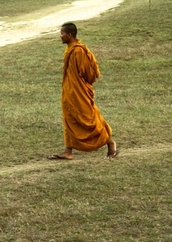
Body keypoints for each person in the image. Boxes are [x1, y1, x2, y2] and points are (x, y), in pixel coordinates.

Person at [48, 22, 119, 160]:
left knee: (88, 119)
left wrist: (79, 85)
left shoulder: (79, 51)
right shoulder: (70, 49)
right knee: (69, 119)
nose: (60, 36)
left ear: (69, 35)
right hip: (70, 91)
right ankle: (68, 151)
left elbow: (89, 73)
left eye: (62, 33)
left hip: (79, 92)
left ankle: (110, 143)